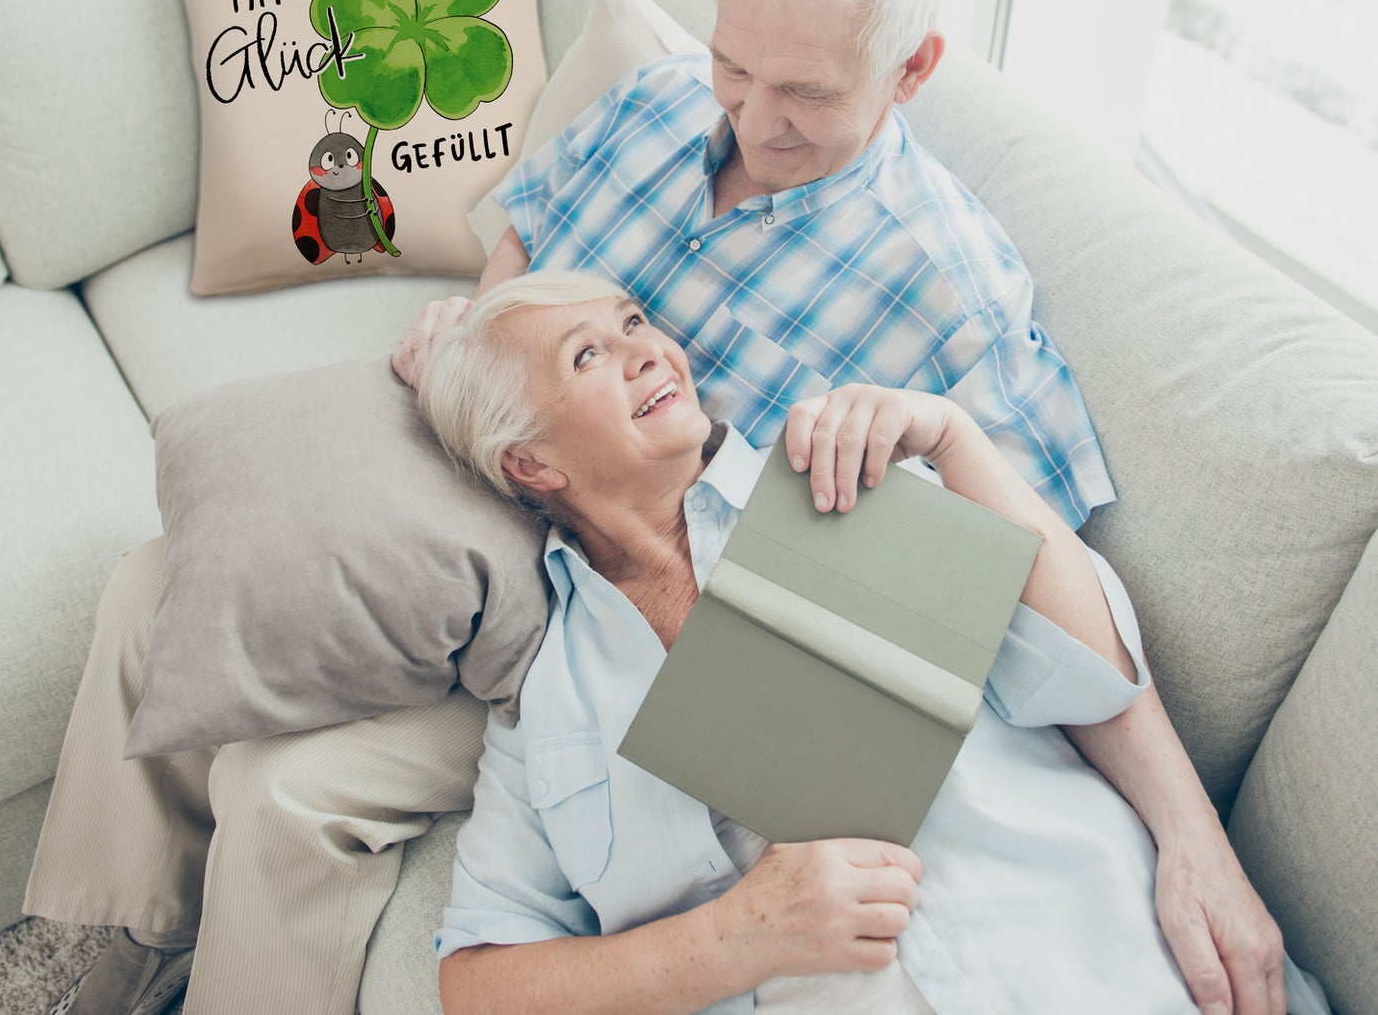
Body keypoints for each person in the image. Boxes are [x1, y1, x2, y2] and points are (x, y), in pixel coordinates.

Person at [27, 0, 1281, 1015]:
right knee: (162, 577)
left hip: (625, 583)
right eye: (737, 65)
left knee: (287, 788)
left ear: (909, 71)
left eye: (804, 90)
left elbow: (1036, 590)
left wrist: (1192, 836)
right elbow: (526, 241)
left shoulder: (949, 294)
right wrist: (478, 334)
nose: (751, 115)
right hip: (514, 458)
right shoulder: (657, 102)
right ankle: (126, 934)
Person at [420, 270, 1311, 1015]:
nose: (647, 349)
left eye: (633, 322)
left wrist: (954, 439)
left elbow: (1091, 674)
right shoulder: (547, 703)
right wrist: (733, 937)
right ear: (530, 463)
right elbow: (477, 981)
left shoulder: (842, 476)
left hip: (1108, 958)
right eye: (588, 355)